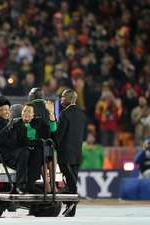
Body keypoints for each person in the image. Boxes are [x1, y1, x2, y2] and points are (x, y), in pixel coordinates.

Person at [0, 103, 57, 193]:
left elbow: (52, 130)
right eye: (24, 111)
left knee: (44, 152)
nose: (26, 113)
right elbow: (7, 140)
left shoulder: (39, 122)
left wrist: (51, 113)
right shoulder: (15, 122)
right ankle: (25, 185)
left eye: (29, 111)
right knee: (29, 152)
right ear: (21, 113)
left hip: (37, 150)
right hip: (21, 151)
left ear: (33, 115)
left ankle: (43, 185)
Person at [56, 89, 86, 217]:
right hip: (77, 153)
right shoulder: (81, 114)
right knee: (72, 179)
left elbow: (59, 136)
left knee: (69, 180)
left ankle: (72, 201)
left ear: (70, 99)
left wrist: (52, 140)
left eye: (63, 97)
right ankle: (71, 208)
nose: (61, 99)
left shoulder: (64, 114)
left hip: (65, 154)